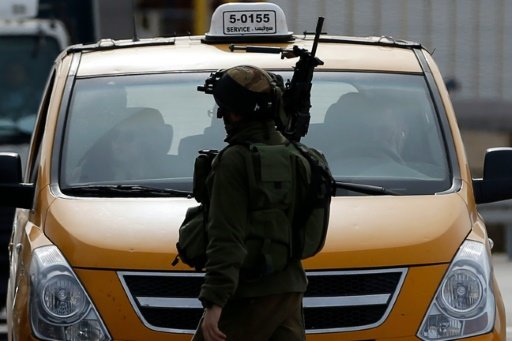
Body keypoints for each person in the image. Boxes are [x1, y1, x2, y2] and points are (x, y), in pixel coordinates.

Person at [192, 65, 310, 341]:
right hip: (290, 288)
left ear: (233, 114)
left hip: (250, 293)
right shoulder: (298, 156)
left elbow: (226, 237)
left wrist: (215, 302)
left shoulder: (234, 161)